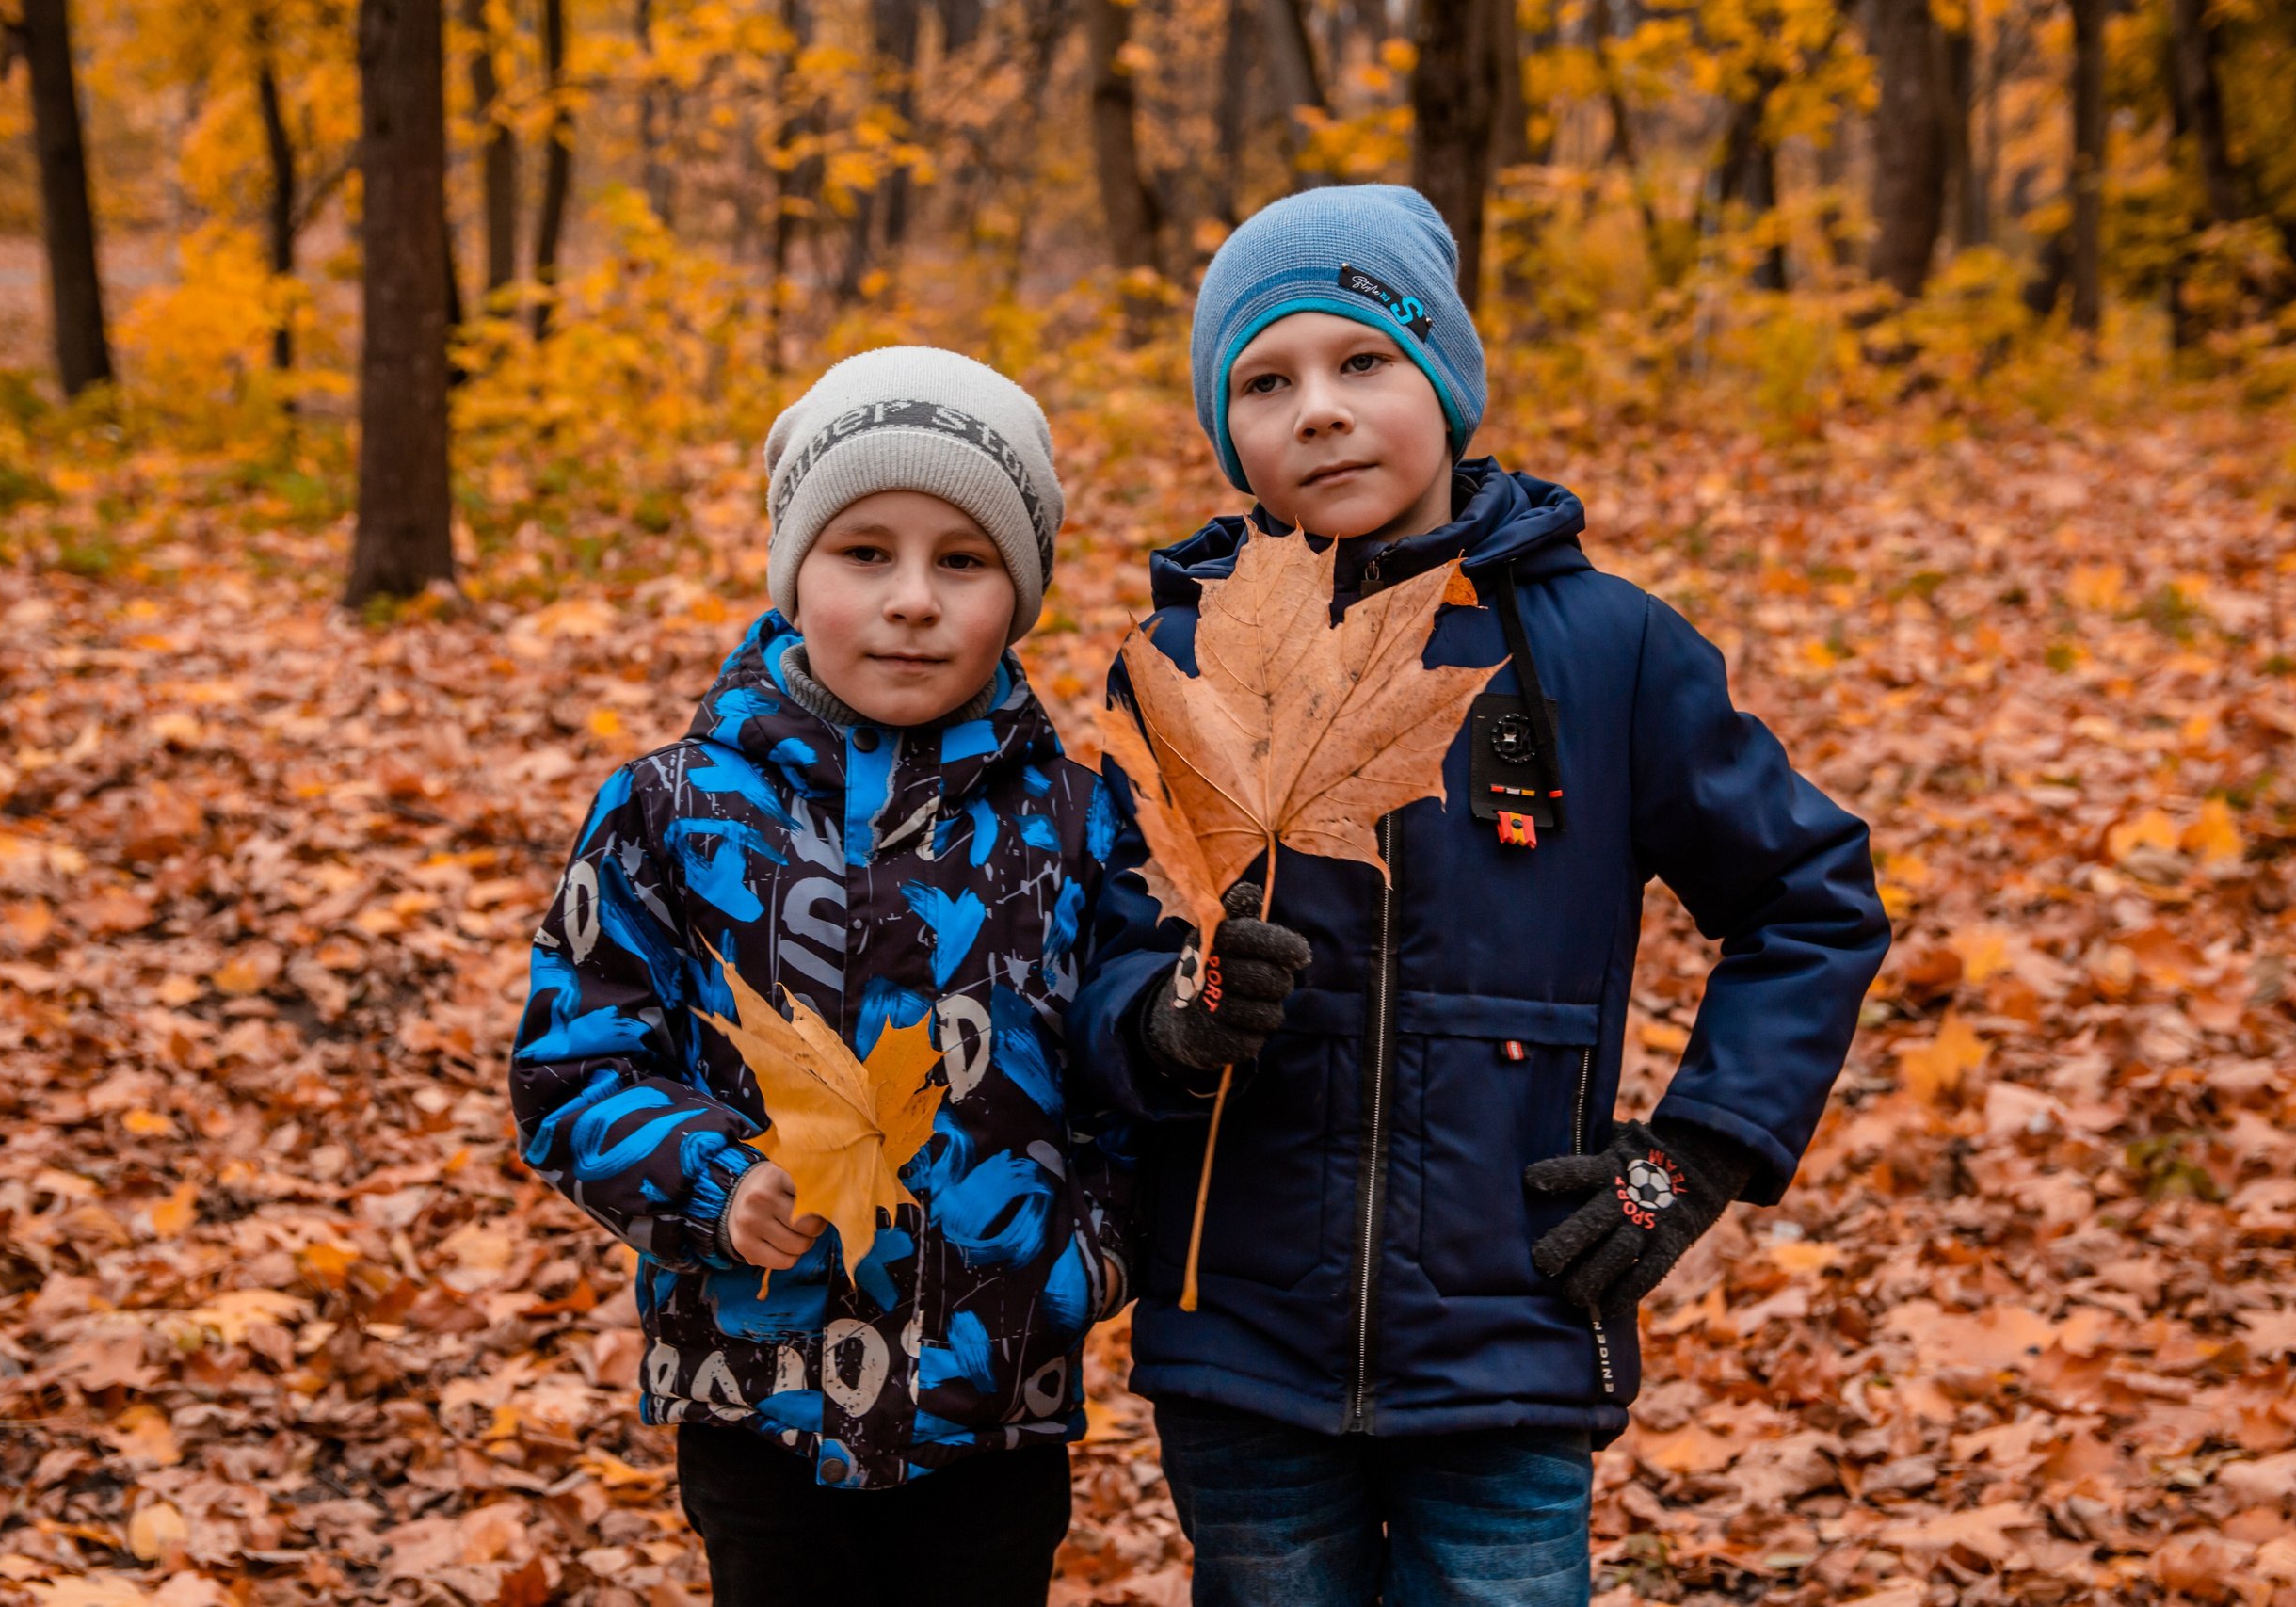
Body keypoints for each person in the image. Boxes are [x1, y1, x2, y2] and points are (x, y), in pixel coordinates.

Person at [1068, 185, 1890, 1606]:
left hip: (1515, 1324)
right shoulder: (1186, 659)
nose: (1318, 410)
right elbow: (1097, 948)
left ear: (1447, 379)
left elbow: (1810, 896)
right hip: (1240, 1327)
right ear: (1227, 432)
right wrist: (1169, 1026)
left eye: (1364, 362)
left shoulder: (1608, 652)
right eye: (1266, 383)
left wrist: (1693, 1158)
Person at [511, 346, 1135, 1607]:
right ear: (793, 570)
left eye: (962, 561)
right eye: (866, 552)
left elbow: (1133, 1076)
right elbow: (575, 1064)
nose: (914, 598)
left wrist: (1084, 1267)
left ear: (1018, 596)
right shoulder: (669, 812)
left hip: (995, 1390)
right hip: (757, 1387)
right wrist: (714, 1181)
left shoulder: (1081, 825)